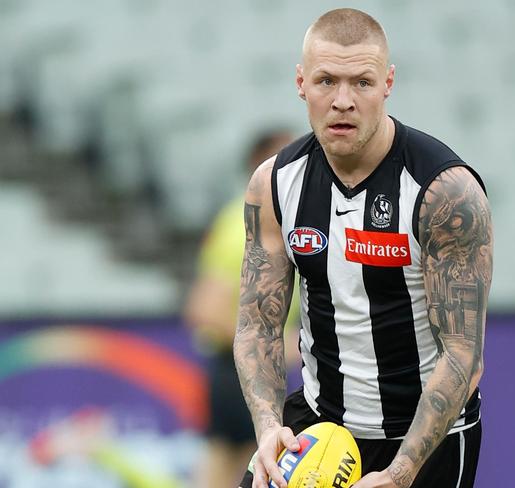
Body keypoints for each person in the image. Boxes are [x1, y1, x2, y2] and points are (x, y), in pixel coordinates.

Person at [233, 8, 493, 488]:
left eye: (362, 83)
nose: (343, 101)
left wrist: (399, 474)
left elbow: (464, 354)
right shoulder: (273, 185)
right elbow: (258, 326)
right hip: (316, 428)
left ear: (388, 83)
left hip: (423, 442)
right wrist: (269, 427)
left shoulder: (445, 194)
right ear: (301, 83)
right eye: (326, 80)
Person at [183, 130, 296, 488]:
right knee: (255, 466)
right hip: (239, 371)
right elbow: (203, 309)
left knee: (234, 466)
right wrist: (273, 343)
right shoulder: (242, 225)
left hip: (251, 367)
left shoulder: (288, 221)